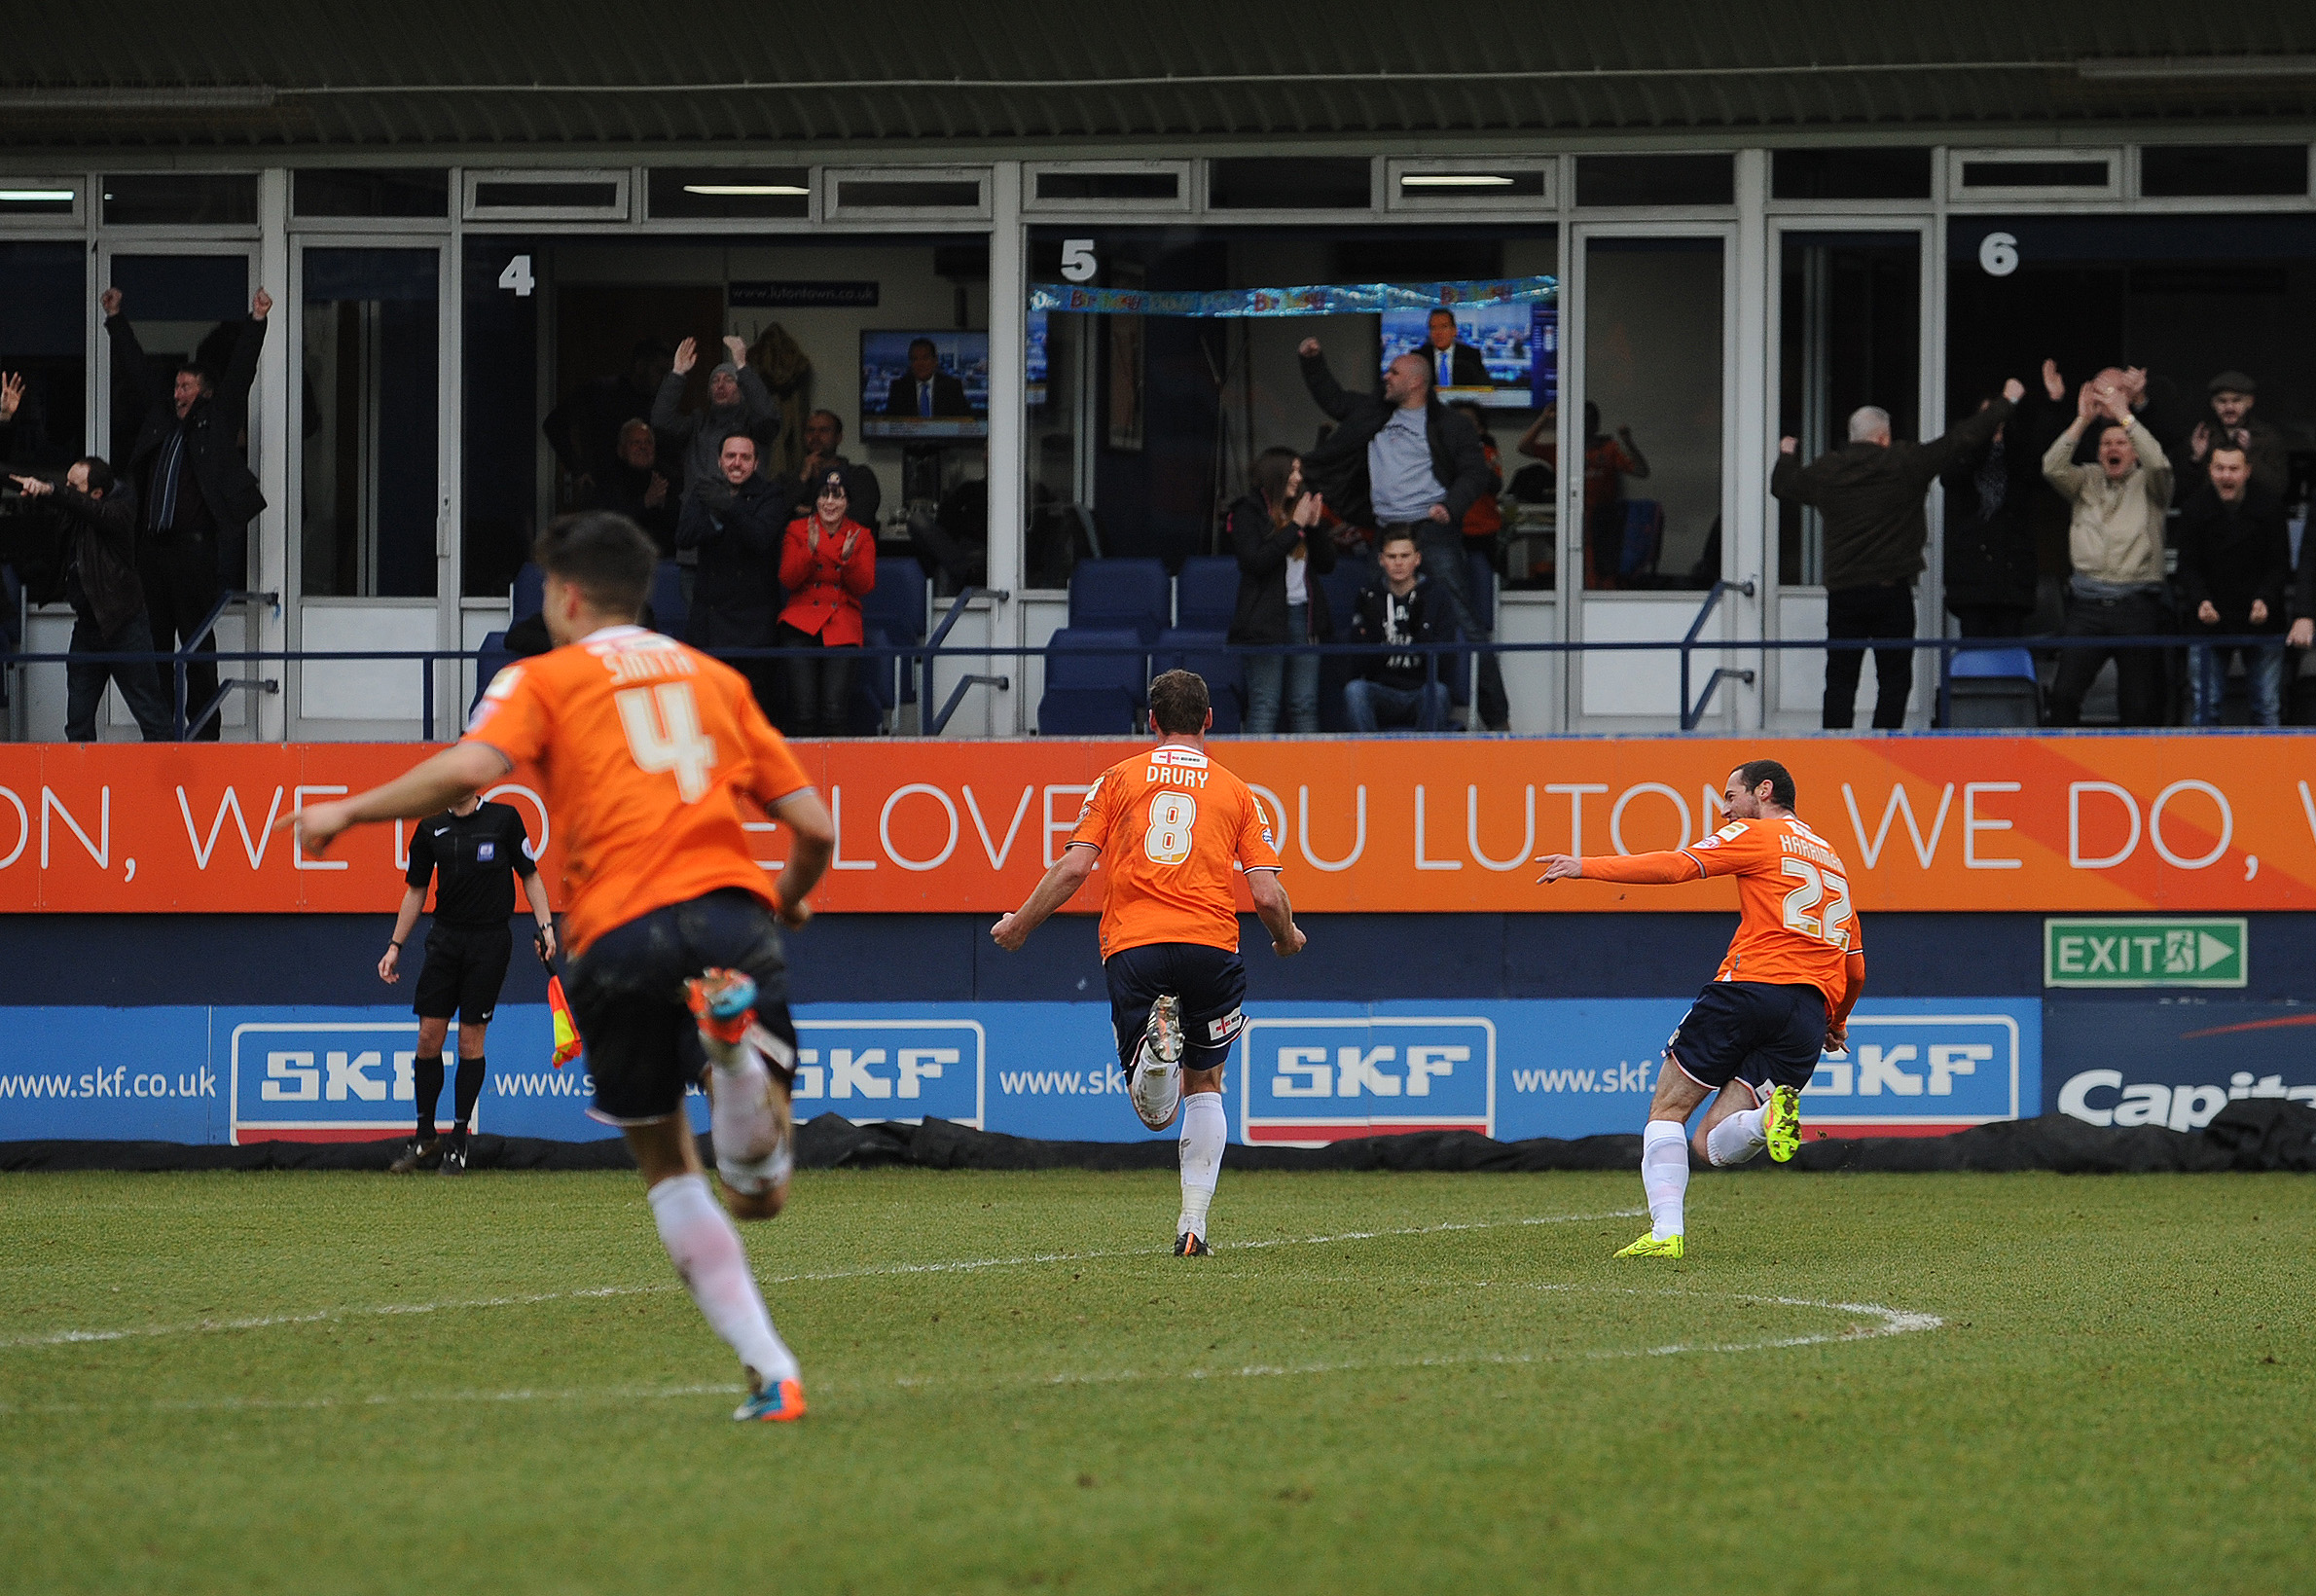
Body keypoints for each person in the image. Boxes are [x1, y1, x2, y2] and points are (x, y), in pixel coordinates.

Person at [284, 510, 838, 1424]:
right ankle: (731, 1055)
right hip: (729, 917)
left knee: (672, 1167)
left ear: (569, 595)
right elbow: (816, 828)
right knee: (765, 1192)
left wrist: (348, 812)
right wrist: (788, 895)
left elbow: (471, 764)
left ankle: (773, 1372)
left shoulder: (539, 678)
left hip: (618, 934)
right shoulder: (718, 679)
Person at [990, 670, 1305, 1255]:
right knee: (1206, 1083)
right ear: (1210, 720)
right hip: (1211, 946)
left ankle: (1156, 1055)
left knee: (1153, 1115)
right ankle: (1194, 1228)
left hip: (1136, 945)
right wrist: (1286, 936)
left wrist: (1020, 924)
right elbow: (1265, 893)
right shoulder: (1238, 791)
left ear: (1151, 723)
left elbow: (1075, 869)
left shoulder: (1117, 779)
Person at [1536, 758, 1864, 1258]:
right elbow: (1856, 964)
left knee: (1668, 1110)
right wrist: (1835, 1021)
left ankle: (1666, 1234)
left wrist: (1585, 867)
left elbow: (1678, 865)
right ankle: (1765, 1120)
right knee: (1709, 1144)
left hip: (1749, 989)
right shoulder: (1832, 859)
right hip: (1808, 1012)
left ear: (1764, 791)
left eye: (1731, 795)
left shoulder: (1758, 835)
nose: (1725, 807)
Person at [1773, 381, 2023, 729]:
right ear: (1883, 437)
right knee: (1894, 680)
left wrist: (1787, 454)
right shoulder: (1905, 462)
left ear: (1854, 436)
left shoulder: (1828, 471)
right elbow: (1960, 439)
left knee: (1841, 680)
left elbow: (1782, 486)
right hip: (1892, 592)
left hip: (1844, 593)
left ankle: (1835, 751)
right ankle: (1884, 747)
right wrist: (2006, 401)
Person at [1295, 335, 1505, 729]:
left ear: (1416, 383)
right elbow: (1334, 400)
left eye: (1393, 372)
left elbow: (1476, 472)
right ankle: (1376, 714)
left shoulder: (1450, 424)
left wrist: (1451, 506)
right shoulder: (1372, 411)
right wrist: (1313, 361)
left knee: (1465, 622)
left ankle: (1498, 720)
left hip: (1433, 533)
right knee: (1377, 622)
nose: (1385, 377)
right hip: (1386, 532)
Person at [102, 283, 271, 742]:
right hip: (151, 553)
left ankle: (204, 735)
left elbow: (241, 373)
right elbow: (137, 372)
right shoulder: (161, 417)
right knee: (153, 646)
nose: (177, 391)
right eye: (176, 384)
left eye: (186, 386)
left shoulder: (216, 421)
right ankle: (160, 732)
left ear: (205, 393)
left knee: (196, 648)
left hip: (194, 554)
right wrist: (116, 320)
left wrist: (256, 321)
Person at [378, 793, 558, 1175]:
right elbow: (416, 889)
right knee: (428, 1037)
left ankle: (458, 1142)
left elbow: (530, 875)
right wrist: (395, 946)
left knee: (469, 1040)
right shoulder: (429, 828)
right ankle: (425, 1136)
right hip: (445, 940)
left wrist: (545, 928)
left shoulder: (505, 819)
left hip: (490, 943)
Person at [8, 457, 172, 742]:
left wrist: (54, 492)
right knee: (78, 722)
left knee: (152, 716)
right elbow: (66, 504)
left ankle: (169, 781)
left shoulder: (119, 511)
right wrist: (36, 489)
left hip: (124, 625)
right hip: (87, 627)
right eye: (66, 483)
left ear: (96, 493)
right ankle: (82, 783)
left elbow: (91, 511)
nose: (67, 488)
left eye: (75, 485)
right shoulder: (75, 509)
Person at [2043, 380, 2175, 728]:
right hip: (2087, 606)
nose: (2111, 449)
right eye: (2105, 443)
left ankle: (2138, 778)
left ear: (2133, 451)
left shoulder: (2152, 485)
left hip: (2137, 606)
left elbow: (2159, 463)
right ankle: (2066, 771)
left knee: (2139, 705)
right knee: (2064, 695)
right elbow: (2052, 467)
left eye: (2120, 443)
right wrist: (2082, 421)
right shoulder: (2086, 479)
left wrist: (2125, 416)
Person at [2174, 442, 2290, 728]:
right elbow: (2187, 567)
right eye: (2220, 469)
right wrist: (2200, 600)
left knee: (2267, 707)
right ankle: (2204, 771)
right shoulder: (2194, 508)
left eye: (2234, 469)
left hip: (2261, 617)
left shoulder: (2270, 507)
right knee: (2205, 706)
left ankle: (2270, 772)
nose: (2227, 476)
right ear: (2210, 471)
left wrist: (2266, 598)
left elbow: (2280, 565)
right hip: (2208, 617)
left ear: (2247, 471)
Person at [1942, 369, 2064, 639]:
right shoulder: (1961, 455)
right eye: (1988, 418)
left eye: (2000, 418)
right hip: (1971, 581)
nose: (1995, 424)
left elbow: (2041, 456)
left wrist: (2053, 403)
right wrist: (1983, 438)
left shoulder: (2018, 458)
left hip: (2012, 579)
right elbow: (1950, 477)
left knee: (2009, 656)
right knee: (1975, 659)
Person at [676, 433, 786, 722]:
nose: (737, 463)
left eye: (745, 457)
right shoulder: (704, 490)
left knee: (754, 710)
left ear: (756, 463)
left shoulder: (771, 495)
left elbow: (760, 537)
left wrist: (726, 507)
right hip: (710, 619)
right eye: (730, 456)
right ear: (719, 460)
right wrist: (717, 517)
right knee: (709, 710)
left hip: (754, 621)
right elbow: (684, 537)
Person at [1225, 448, 1335, 734]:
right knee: (1265, 703)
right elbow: (1255, 561)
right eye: (1293, 471)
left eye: (1300, 471)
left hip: (1304, 614)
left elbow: (1327, 564)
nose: (1299, 478)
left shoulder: (1299, 509)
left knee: (1304, 703)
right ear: (1275, 473)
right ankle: (1253, 777)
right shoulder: (1247, 512)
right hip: (1264, 619)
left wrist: (1314, 527)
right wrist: (1295, 527)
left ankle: (1310, 775)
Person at [777, 469, 876, 737]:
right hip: (800, 624)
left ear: (847, 502)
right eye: (824, 495)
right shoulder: (798, 529)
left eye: (838, 496)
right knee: (803, 711)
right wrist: (809, 549)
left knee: (834, 711)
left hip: (841, 625)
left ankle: (836, 778)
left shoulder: (860, 535)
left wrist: (847, 559)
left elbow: (864, 586)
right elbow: (788, 578)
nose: (830, 502)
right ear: (816, 500)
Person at [1343, 528, 1451, 733]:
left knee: (1438, 692)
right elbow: (1356, 664)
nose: (1398, 563)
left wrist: (1421, 633)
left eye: (1404, 556)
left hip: (1421, 689)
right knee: (1355, 691)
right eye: (1392, 556)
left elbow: (1446, 662)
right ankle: (1369, 761)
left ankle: (1424, 761)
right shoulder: (1369, 596)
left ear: (1417, 559)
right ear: (1381, 560)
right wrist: (1373, 633)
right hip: (1382, 690)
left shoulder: (1437, 596)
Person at [652, 334, 778, 503]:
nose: (720, 385)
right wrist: (677, 373)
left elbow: (768, 417)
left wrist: (742, 366)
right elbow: (661, 422)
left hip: (744, 512)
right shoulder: (697, 423)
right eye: (715, 381)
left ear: (742, 388)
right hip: (699, 516)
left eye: (729, 380)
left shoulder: (753, 425)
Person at [544, 339, 672, 500]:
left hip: (646, 496)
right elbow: (554, 424)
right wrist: (578, 469)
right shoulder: (601, 391)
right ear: (640, 366)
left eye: (668, 374)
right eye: (660, 371)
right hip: (606, 492)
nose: (664, 379)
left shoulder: (658, 404)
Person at [2187, 371, 2289, 504]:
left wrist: (2249, 456)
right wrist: (2196, 458)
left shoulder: (2267, 437)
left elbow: (2278, 488)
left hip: (2255, 516)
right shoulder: (2202, 437)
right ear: (2213, 403)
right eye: (2222, 401)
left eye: (2236, 400)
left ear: (2250, 402)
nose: (2229, 407)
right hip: (2210, 516)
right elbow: (2183, 492)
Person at [782, 409, 882, 530]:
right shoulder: (788, 479)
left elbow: (859, 518)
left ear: (838, 437)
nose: (815, 436)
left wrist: (806, 511)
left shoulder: (859, 476)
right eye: (810, 430)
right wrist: (802, 478)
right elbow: (777, 516)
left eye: (824, 430)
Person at [595, 418, 678, 556]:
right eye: (636, 443)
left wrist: (663, 503)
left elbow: (682, 523)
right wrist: (646, 502)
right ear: (621, 450)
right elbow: (608, 524)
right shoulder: (608, 480)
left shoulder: (666, 477)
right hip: (621, 558)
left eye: (648, 442)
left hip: (665, 558)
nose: (643, 447)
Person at [882, 338, 971, 418]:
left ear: (935, 361)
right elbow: (890, 423)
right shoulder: (898, 388)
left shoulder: (952, 386)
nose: (920, 364)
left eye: (925, 358)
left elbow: (965, 422)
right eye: (915, 359)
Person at [1421, 308, 1489, 390]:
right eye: (1433, 328)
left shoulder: (1470, 355)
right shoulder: (1420, 357)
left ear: (1454, 330)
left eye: (1444, 327)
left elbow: (1484, 387)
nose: (1438, 333)